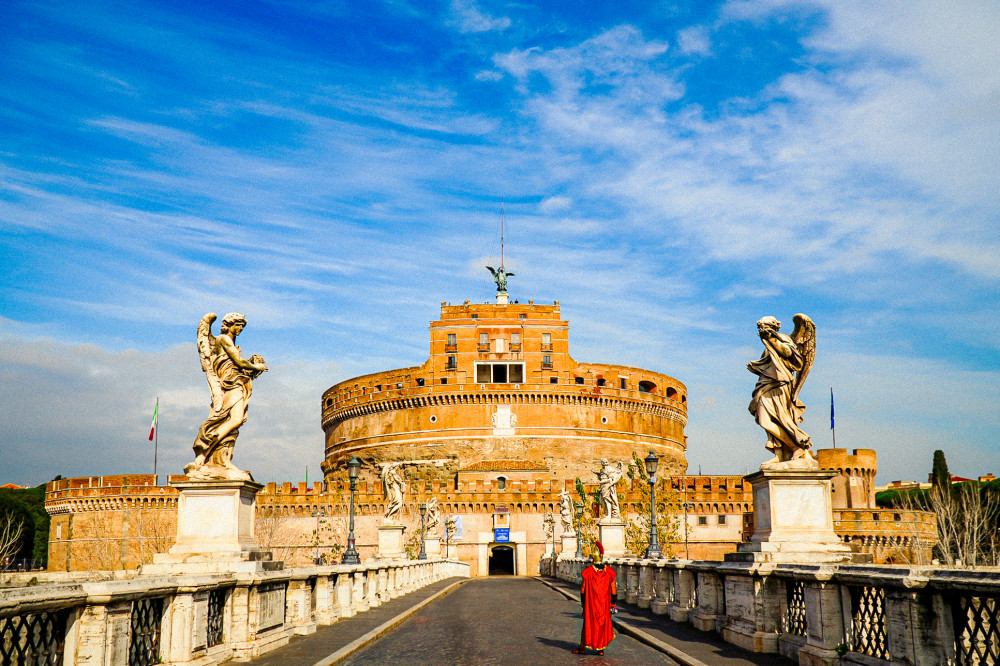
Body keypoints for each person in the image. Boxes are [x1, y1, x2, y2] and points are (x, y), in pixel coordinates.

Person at [574, 541, 616, 656]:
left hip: (591, 603)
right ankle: (600, 649)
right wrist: (613, 604)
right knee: (602, 625)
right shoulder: (609, 572)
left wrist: (583, 602)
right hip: (604, 604)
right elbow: (613, 590)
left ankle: (582, 647)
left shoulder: (588, 572)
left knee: (588, 624)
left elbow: (583, 589)